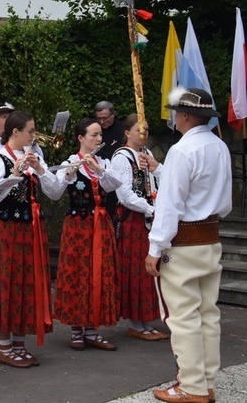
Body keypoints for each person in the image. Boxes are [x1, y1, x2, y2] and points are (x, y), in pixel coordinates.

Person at [146, 88, 231, 403]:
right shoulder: (219, 146)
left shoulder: (182, 151)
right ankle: (205, 382)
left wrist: (155, 248)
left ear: (183, 115)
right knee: (208, 312)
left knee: (183, 317)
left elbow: (170, 205)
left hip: (182, 244)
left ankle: (192, 386)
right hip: (210, 238)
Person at [0, 111, 64, 367]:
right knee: (7, 284)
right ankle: (4, 348)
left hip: (29, 231)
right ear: (15, 132)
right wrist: (13, 176)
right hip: (7, 230)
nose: (33, 136)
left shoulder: (32, 156)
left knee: (25, 284)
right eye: (30, 131)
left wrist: (40, 169)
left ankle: (19, 343)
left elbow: (55, 192)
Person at [54, 117, 122, 351]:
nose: (98, 139)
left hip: (100, 224)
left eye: (100, 135)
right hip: (78, 226)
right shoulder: (70, 161)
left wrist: (98, 169)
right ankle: (76, 329)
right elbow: (54, 191)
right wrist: (70, 172)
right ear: (81, 138)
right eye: (93, 135)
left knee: (99, 273)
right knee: (77, 273)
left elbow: (115, 184)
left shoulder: (103, 161)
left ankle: (93, 329)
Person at [109, 114, 168, 342]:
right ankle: (135, 322)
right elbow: (124, 194)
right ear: (127, 133)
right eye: (138, 130)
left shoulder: (148, 154)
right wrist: (149, 208)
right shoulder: (122, 157)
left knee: (148, 271)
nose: (143, 134)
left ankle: (145, 320)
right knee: (135, 269)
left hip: (149, 219)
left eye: (146, 130)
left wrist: (157, 204)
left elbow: (155, 183)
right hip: (134, 220)